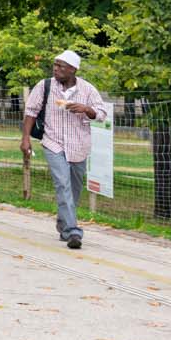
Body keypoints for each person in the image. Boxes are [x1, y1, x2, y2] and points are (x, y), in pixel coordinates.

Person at [21, 49, 111, 249]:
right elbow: (31, 111)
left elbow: (102, 114)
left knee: (74, 189)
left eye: (60, 66)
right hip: (53, 143)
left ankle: (63, 224)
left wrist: (86, 109)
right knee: (62, 184)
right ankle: (73, 232)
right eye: (55, 65)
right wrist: (25, 138)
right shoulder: (44, 86)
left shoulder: (87, 89)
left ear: (72, 69)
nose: (56, 69)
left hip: (79, 146)